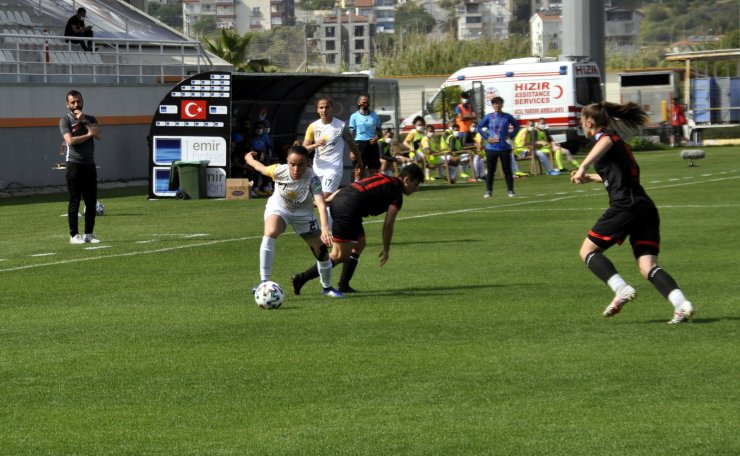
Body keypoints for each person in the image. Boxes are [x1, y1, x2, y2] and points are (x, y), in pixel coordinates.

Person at [570, 101, 695, 324]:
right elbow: (618, 176)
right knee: (648, 266)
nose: (582, 127)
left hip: (624, 206)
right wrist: (590, 178)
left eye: (582, 122)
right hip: (644, 205)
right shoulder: (618, 142)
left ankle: (621, 289)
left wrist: (583, 167)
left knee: (587, 250)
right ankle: (682, 304)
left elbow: (604, 141)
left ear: (590, 122)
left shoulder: (606, 138)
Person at [291, 164, 424, 295]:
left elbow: (350, 187)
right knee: (339, 255)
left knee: (359, 244)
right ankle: (301, 278)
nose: (416, 189)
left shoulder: (382, 177)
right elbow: (388, 224)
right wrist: (386, 249)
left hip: (345, 205)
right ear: (406, 180)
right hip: (348, 210)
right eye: (416, 184)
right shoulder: (397, 195)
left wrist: (327, 201)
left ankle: (344, 284)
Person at [244, 146, 341, 297]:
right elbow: (261, 168)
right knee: (270, 232)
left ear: (308, 163)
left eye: (300, 165)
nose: (296, 169)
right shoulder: (278, 170)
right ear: (287, 162)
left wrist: (325, 229)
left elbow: (321, 204)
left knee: (322, 253)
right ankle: (263, 282)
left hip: (303, 215)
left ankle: (327, 288)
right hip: (279, 208)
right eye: (292, 164)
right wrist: (248, 158)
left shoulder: (313, 179)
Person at [60, 90, 103, 244]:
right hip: (74, 165)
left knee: (91, 201)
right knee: (74, 201)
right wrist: (87, 135)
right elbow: (70, 141)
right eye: (73, 102)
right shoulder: (65, 120)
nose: (76, 105)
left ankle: (89, 234)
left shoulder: (90, 119)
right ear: (67, 104)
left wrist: (85, 121)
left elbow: (99, 135)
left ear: (82, 101)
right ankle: (74, 235)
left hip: (89, 165)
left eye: (78, 101)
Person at [303, 96, 361, 198]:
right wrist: (315, 144)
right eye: (321, 107)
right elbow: (303, 150)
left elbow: (353, 146)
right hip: (317, 168)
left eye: (327, 107)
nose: (324, 110)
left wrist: (359, 161)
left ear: (332, 108)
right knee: (320, 200)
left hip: (334, 168)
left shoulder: (342, 126)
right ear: (317, 110)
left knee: (324, 196)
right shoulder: (313, 127)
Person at [477, 97, 519, 198]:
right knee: (491, 170)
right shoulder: (489, 117)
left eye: (499, 104)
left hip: (504, 147)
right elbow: (479, 127)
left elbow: (516, 126)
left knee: (507, 170)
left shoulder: (507, 116)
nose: (497, 105)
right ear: (492, 105)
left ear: (502, 105)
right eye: (495, 104)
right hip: (491, 148)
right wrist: (487, 137)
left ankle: (510, 191)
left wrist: (511, 135)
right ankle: (488, 191)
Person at [349, 94, 383, 180]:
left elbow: (380, 132)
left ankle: (373, 189)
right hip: (360, 145)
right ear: (359, 103)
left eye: (367, 103)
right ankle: (357, 190)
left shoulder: (375, 116)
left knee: (374, 171)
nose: (365, 104)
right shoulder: (354, 116)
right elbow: (351, 135)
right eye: (363, 102)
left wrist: (377, 137)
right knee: (359, 171)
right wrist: (352, 150)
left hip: (372, 145)